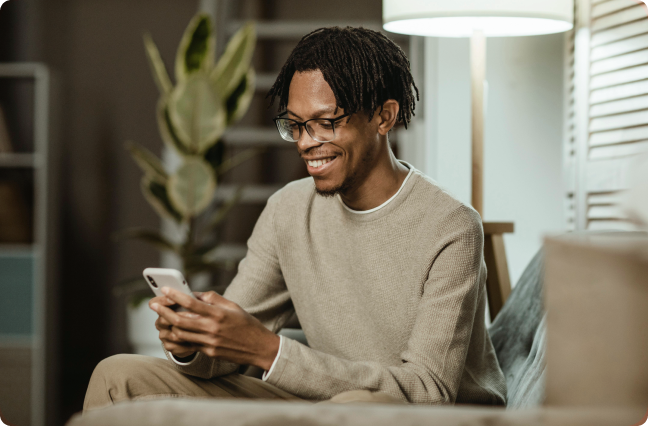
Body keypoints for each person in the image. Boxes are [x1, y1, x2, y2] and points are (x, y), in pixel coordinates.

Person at [84, 26, 506, 410]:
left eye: (326, 123)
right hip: (321, 402)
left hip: (412, 415)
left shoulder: (451, 226)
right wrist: (194, 342)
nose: (307, 143)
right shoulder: (288, 209)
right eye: (296, 125)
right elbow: (231, 349)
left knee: (361, 407)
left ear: (384, 116)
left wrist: (270, 351)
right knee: (117, 376)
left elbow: (428, 393)